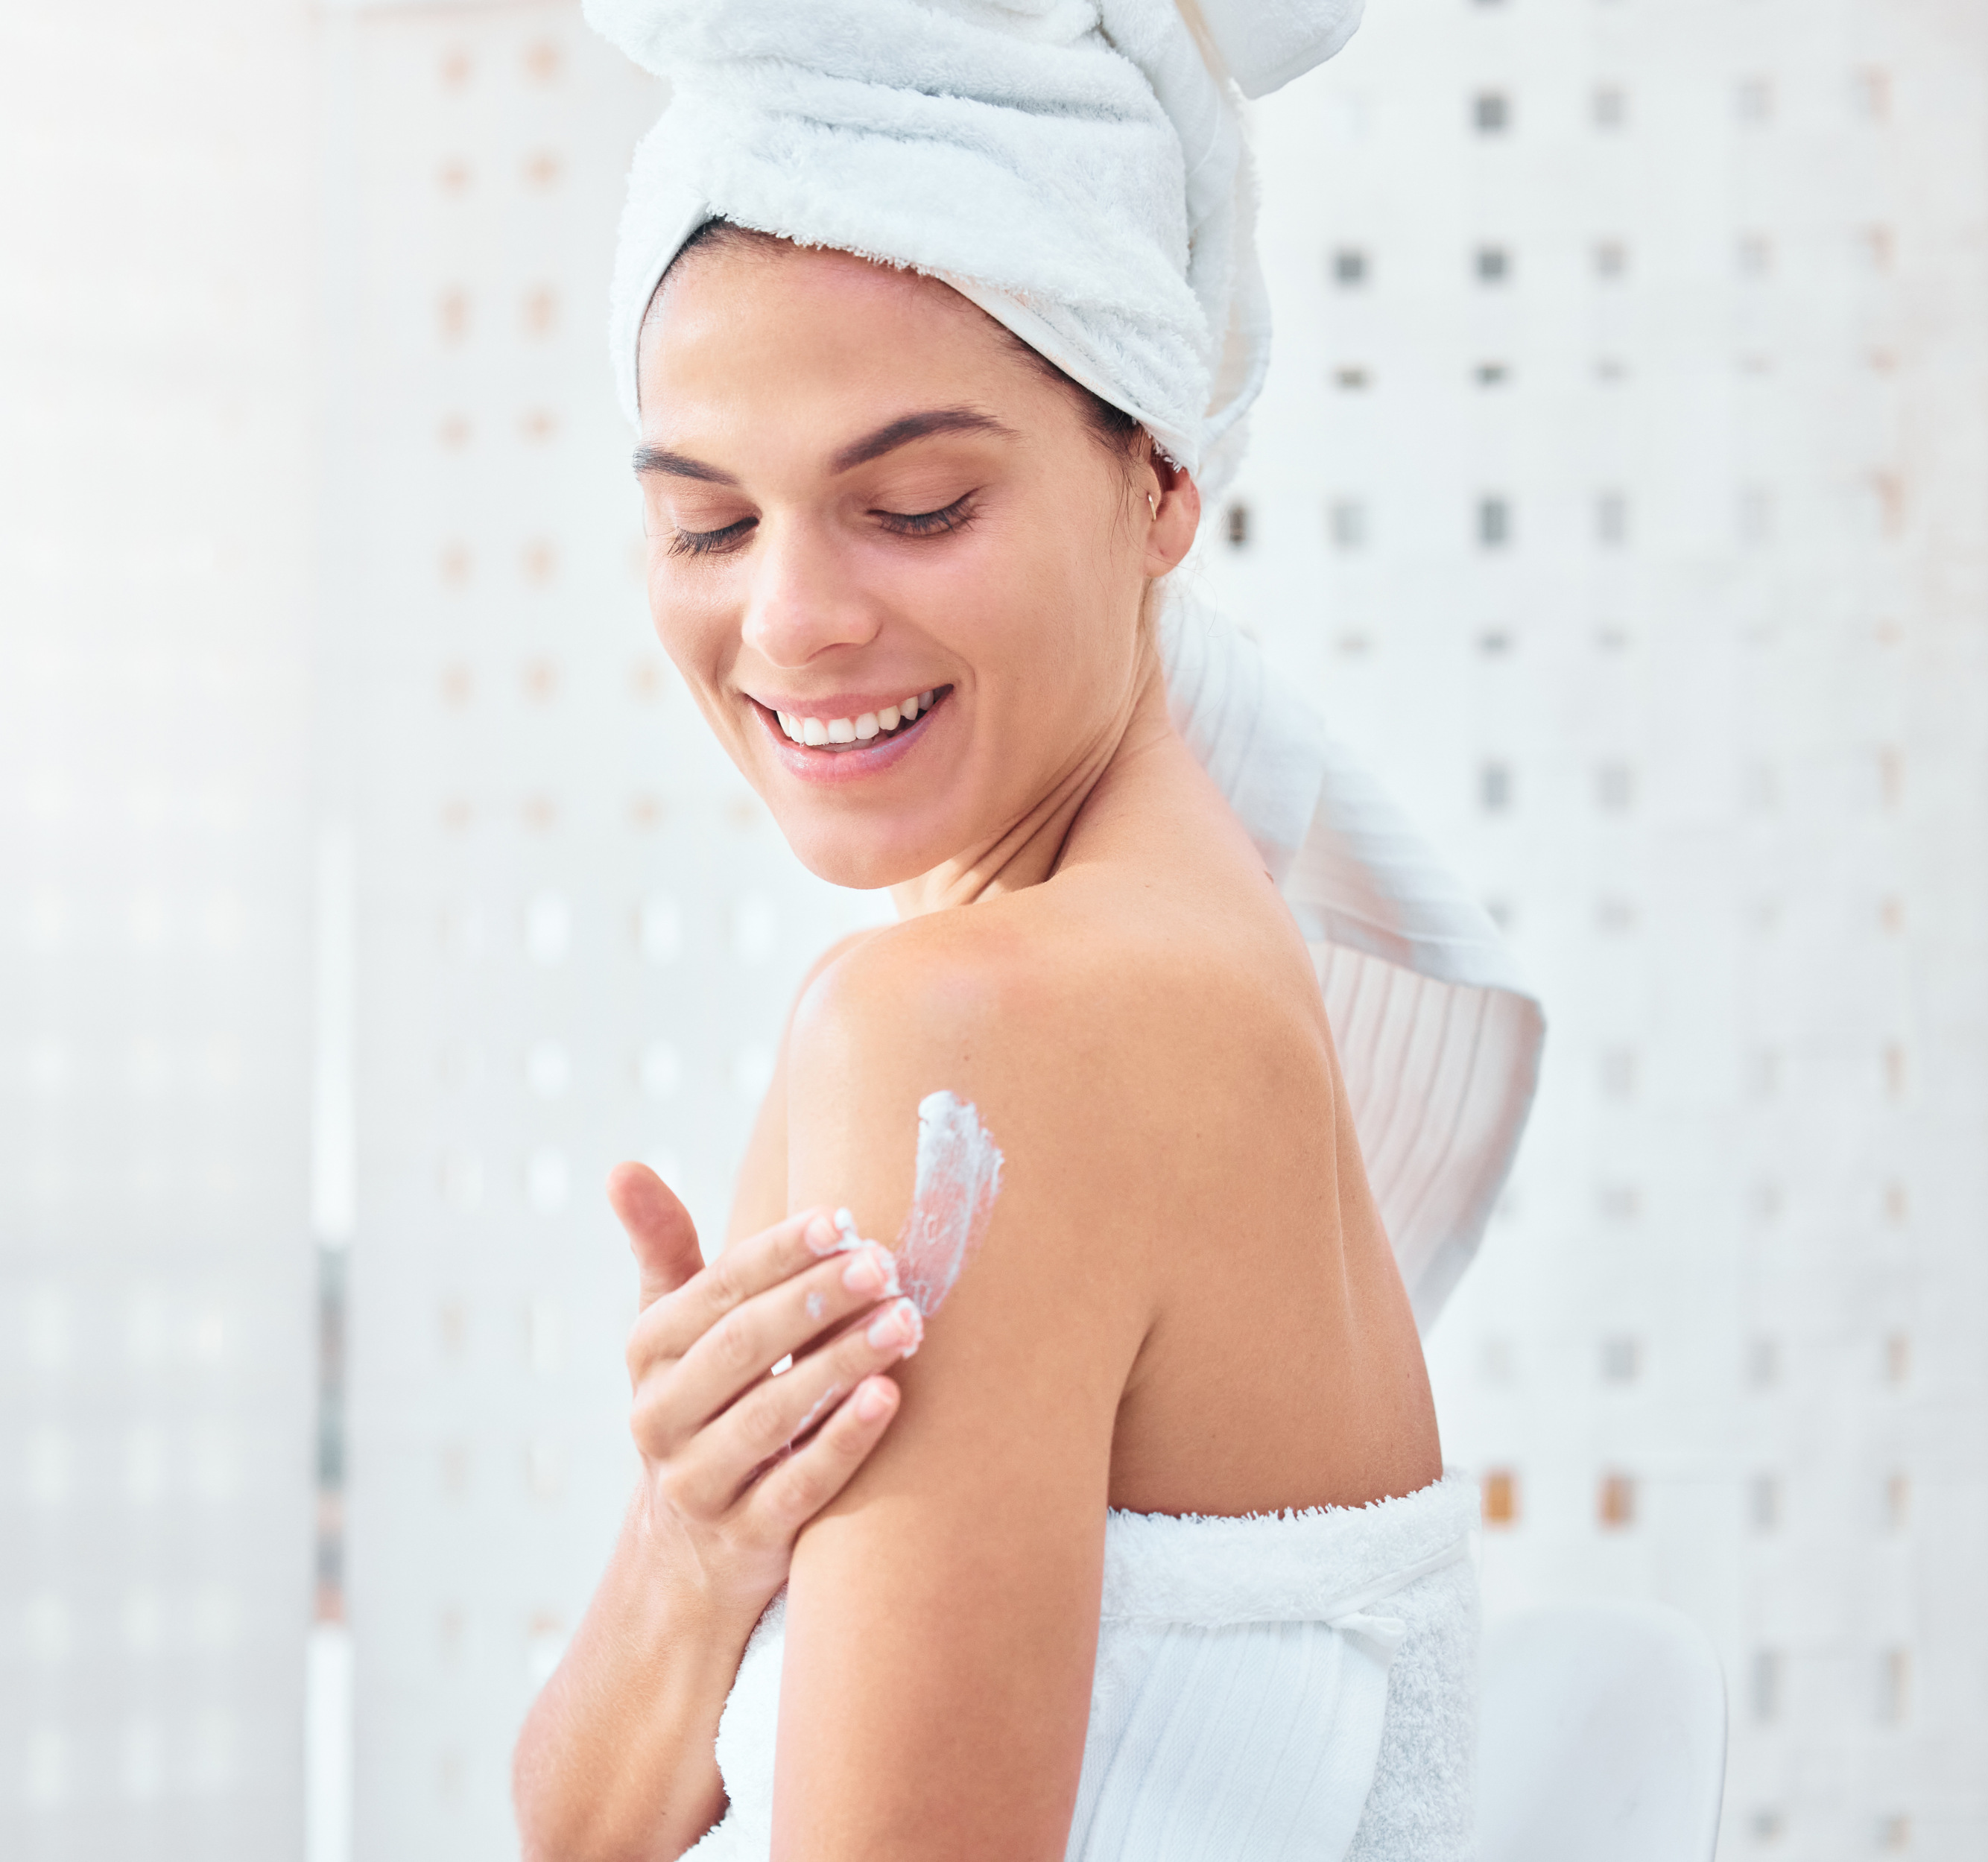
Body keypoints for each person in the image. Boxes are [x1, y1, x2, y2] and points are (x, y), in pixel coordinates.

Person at [513, 3, 1543, 1858]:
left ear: (1159, 481)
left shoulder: (974, 1036)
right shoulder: (1075, 974)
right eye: (708, 525)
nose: (791, 618)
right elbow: (578, 1822)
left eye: (914, 504)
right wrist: (693, 1535)